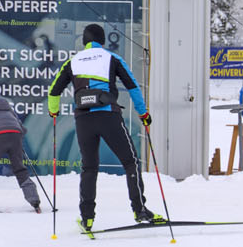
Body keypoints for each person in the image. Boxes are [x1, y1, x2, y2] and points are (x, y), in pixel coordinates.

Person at [47, 23, 166, 233]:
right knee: (130, 162)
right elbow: (133, 87)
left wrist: (53, 112)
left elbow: (53, 91)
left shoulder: (72, 61)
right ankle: (139, 210)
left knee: (89, 167)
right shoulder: (112, 58)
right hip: (108, 116)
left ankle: (87, 218)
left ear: (84, 42)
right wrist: (143, 114)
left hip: (83, 120)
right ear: (102, 41)